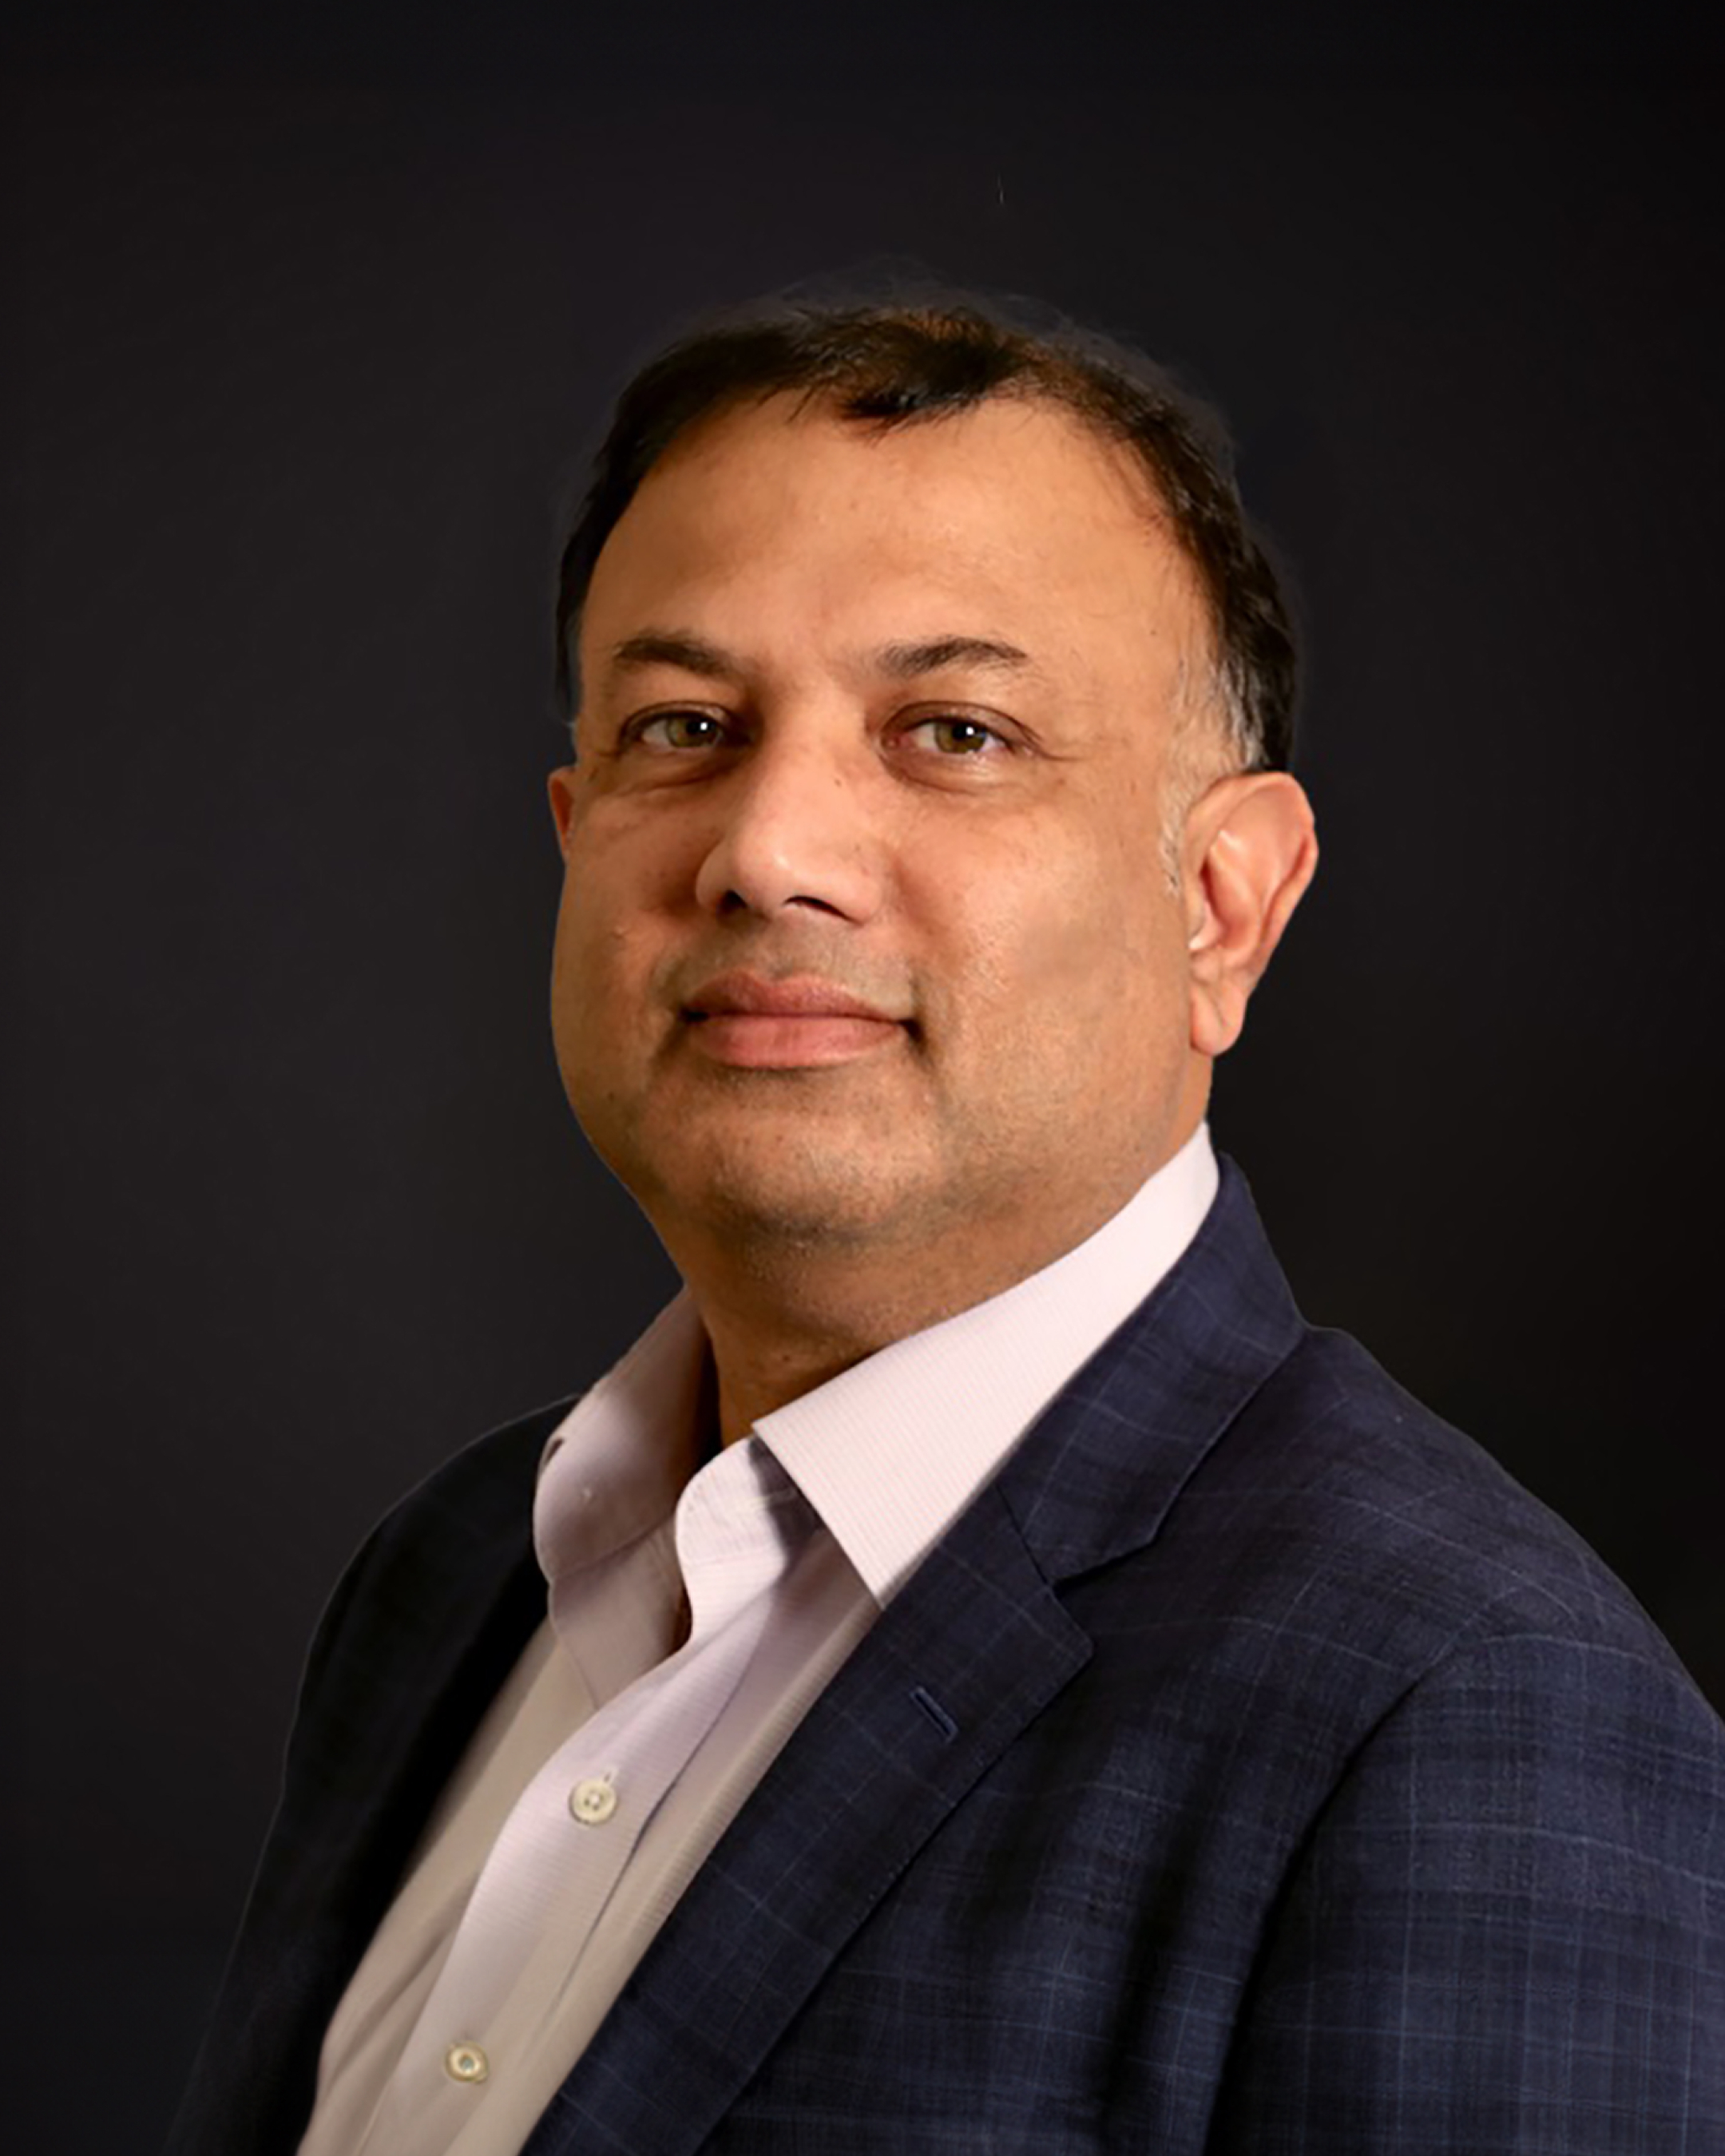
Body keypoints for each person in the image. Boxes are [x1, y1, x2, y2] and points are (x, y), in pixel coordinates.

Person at [167, 280, 1725, 2154]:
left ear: (1223, 906)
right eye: (684, 724)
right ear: (573, 831)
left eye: (956, 732)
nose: (768, 851)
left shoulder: (1467, 1714)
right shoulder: (448, 1574)